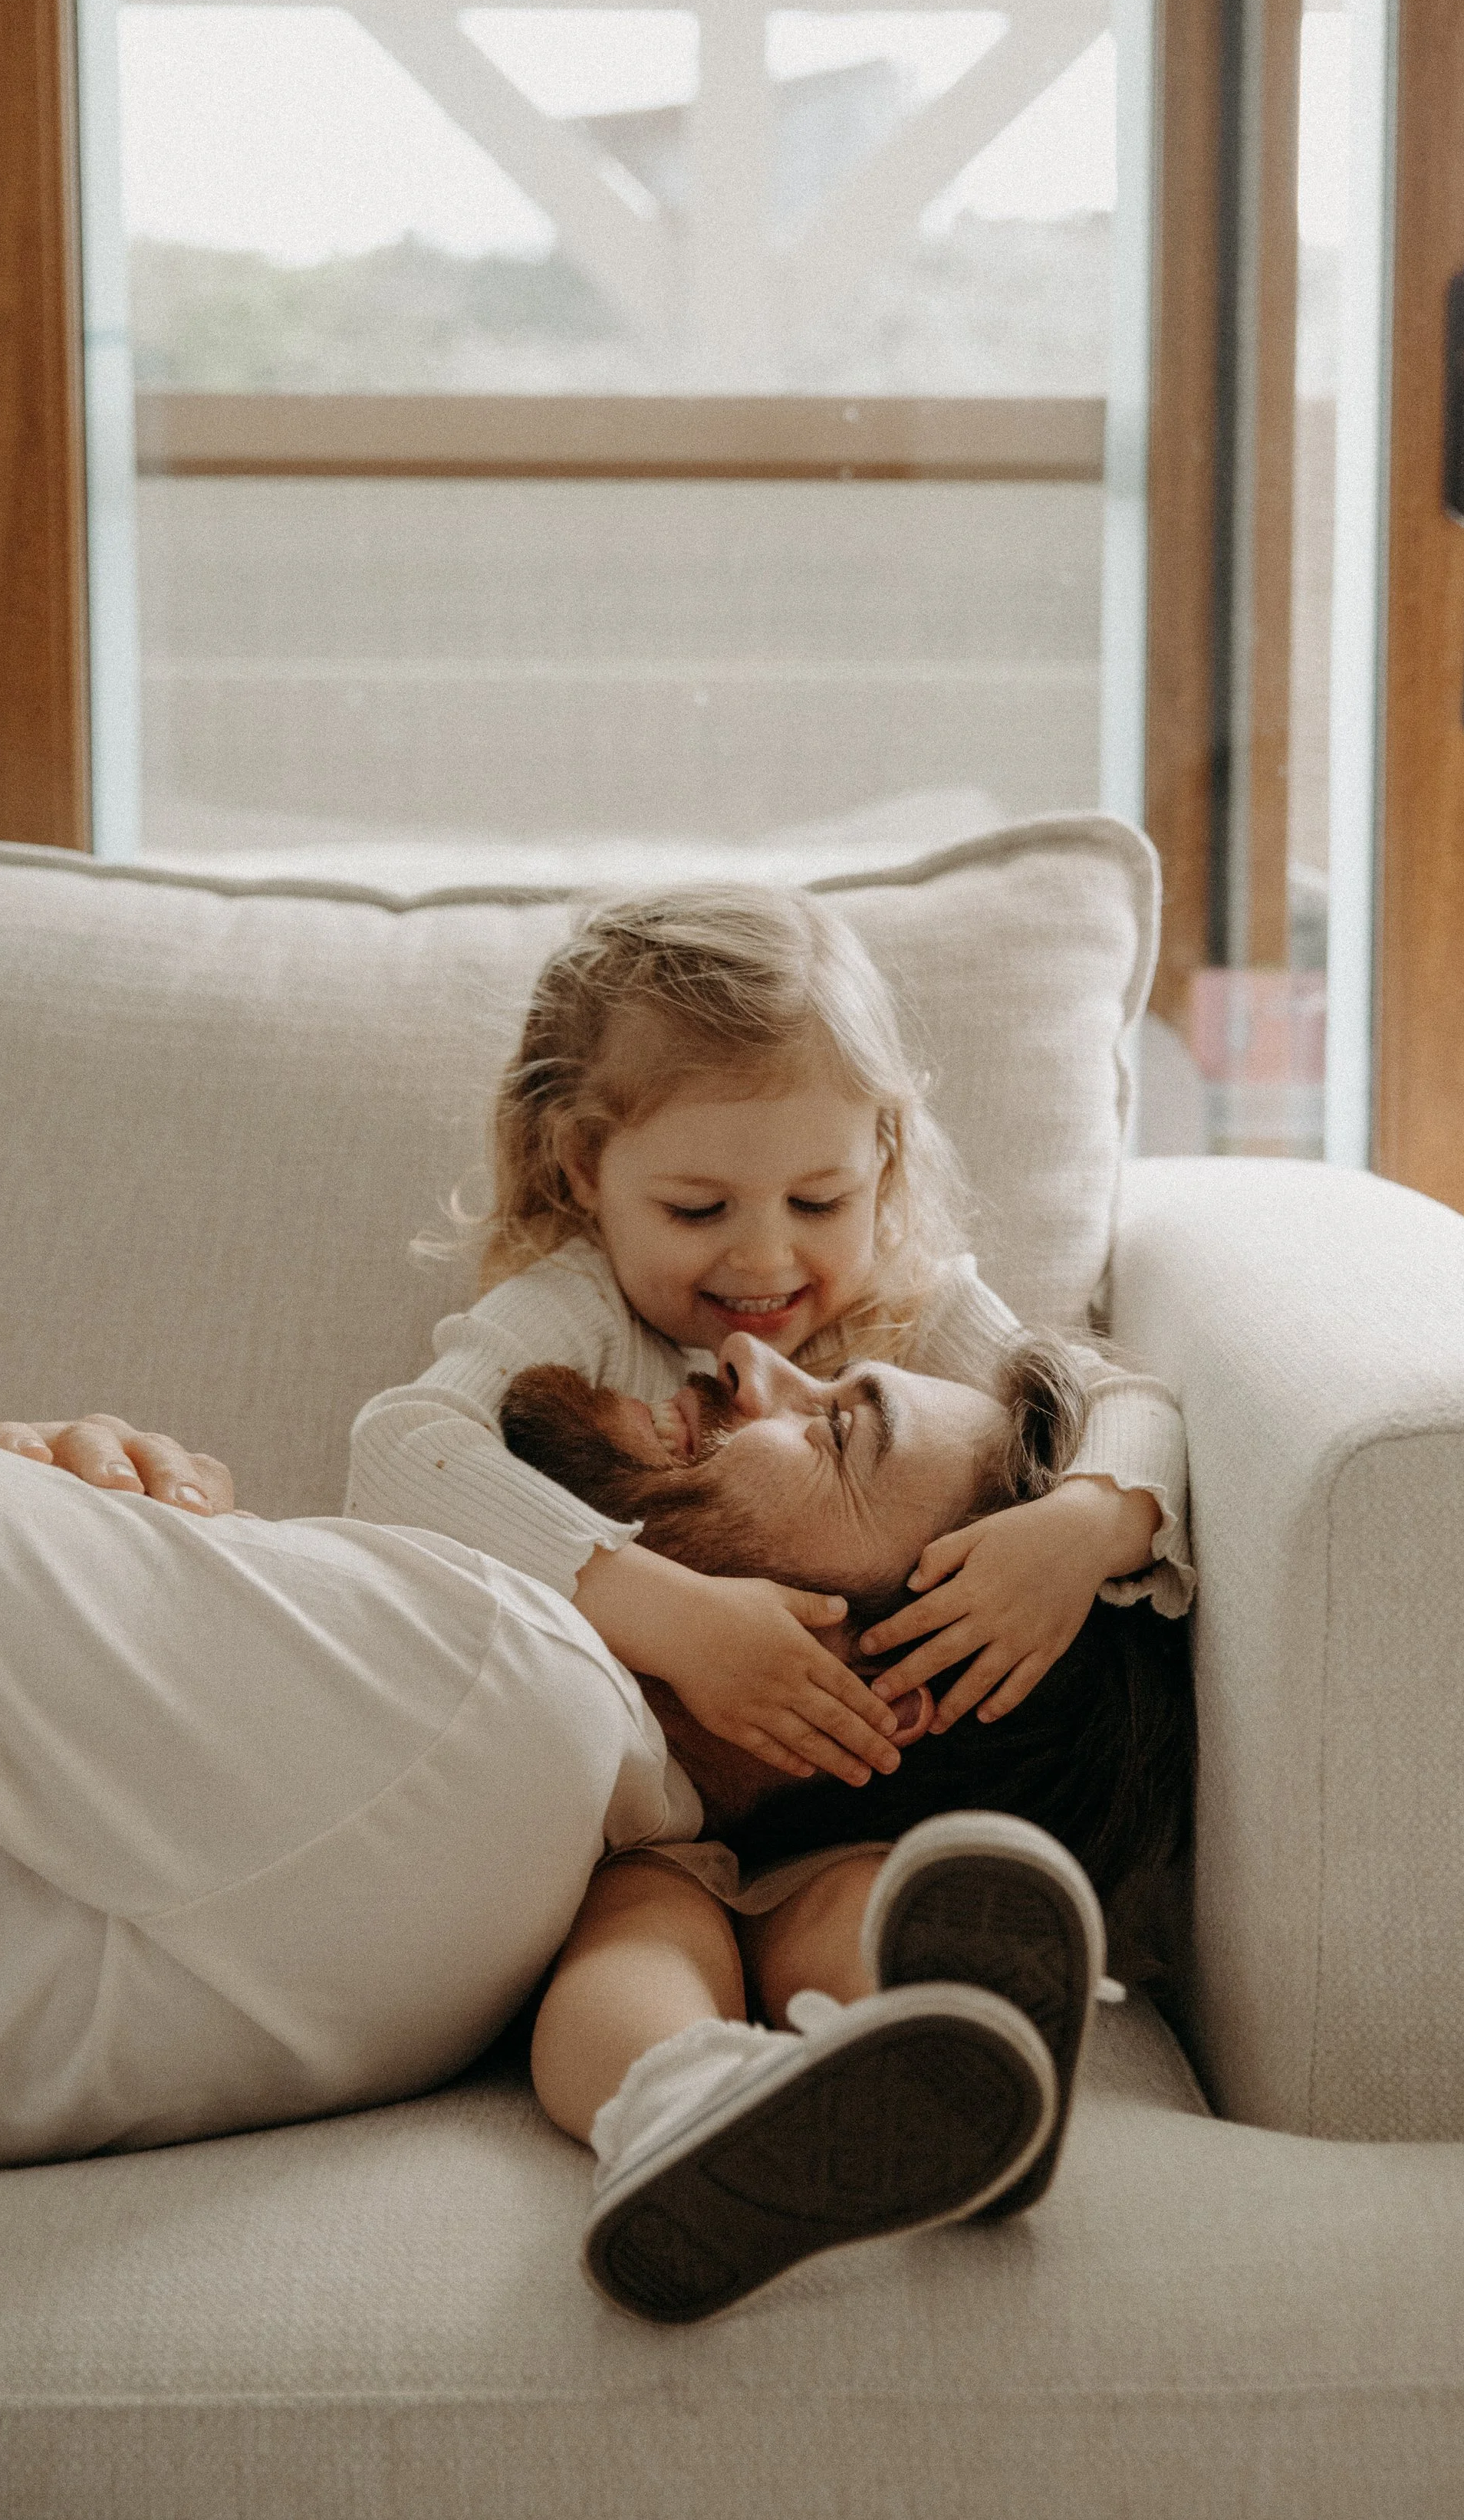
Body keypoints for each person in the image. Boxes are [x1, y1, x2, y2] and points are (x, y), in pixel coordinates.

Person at [0, 1339, 1192, 2322]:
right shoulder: (516, 1853)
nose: (750, 1352)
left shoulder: (502, 1686)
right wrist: (33, 1508)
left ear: (873, 1688)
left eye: (837, 1429)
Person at [342, 886, 1195, 2230]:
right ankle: (685, 2111)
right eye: (696, 1207)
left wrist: (1088, 1524)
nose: (765, 1260)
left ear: (886, 1161)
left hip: (845, 1797)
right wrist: (675, 1616)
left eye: (819, 1196)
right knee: (636, 1945)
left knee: (860, 1902)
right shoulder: (575, 1315)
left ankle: (959, 2073)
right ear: (583, 1172)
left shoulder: (905, 1319)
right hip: (643, 1820)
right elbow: (399, 1449)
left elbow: (1116, 1395)